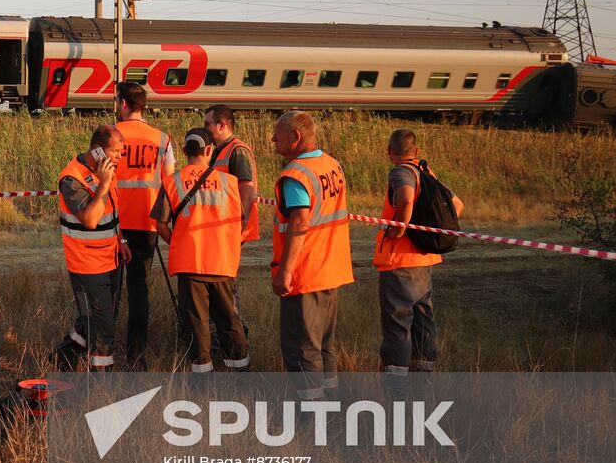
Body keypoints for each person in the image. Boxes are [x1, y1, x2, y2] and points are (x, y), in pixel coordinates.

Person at [269, 111, 354, 400]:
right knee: (324, 346)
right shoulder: (332, 165)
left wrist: (285, 271)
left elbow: (300, 221)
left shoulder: (295, 175)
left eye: (278, 134)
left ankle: (312, 416)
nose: (272, 139)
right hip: (332, 269)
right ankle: (331, 405)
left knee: (302, 349)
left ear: (296, 137)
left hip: (306, 274)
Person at [373, 129, 465, 391]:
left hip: (400, 261)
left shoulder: (401, 171)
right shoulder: (428, 173)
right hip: (425, 260)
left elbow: (404, 198)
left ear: (389, 151)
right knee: (423, 319)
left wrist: (401, 227)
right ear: (417, 151)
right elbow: (457, 205)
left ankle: (396, 385)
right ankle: (424, 378)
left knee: (397, 324)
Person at [153, 128, 248, 372]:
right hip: (222, 262)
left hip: (190, 264)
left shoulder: (171, 181)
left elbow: (160, 224)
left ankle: (202, 375)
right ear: (209, 150)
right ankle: (240, 371)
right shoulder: (229, 182)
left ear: (184, 151)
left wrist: (179, 241)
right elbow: (241, 219)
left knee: (197, 323)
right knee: (229, 321)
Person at [51, 125, 128, 371]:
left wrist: (122, 240)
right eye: (115, 152)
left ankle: (63, 358)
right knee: (102, 326)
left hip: (110, 257)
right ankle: (102, 381)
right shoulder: (72, 179)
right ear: (97, 151)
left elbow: (112, 212)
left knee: (96, 317)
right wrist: (104, 184)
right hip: (87, 264)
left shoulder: (106, 171)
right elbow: (91, 219)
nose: (119, 157)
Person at [114, 81, 176, 367]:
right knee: (140, 292)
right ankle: (136, 355)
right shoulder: (162, 139)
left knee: (109, 290)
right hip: (148, 224)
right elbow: (170, 184)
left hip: (113, 224)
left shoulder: (110, 136)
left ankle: (103, 350)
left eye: (116, 101)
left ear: (124, 104)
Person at [203, 104, 259, 243]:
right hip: (223, 223)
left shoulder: (238, 150)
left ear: (221, 125)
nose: (204, 128)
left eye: (207, 124)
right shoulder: (220, 151)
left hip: (231, 225)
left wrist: (240, 225)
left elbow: (246, 189)